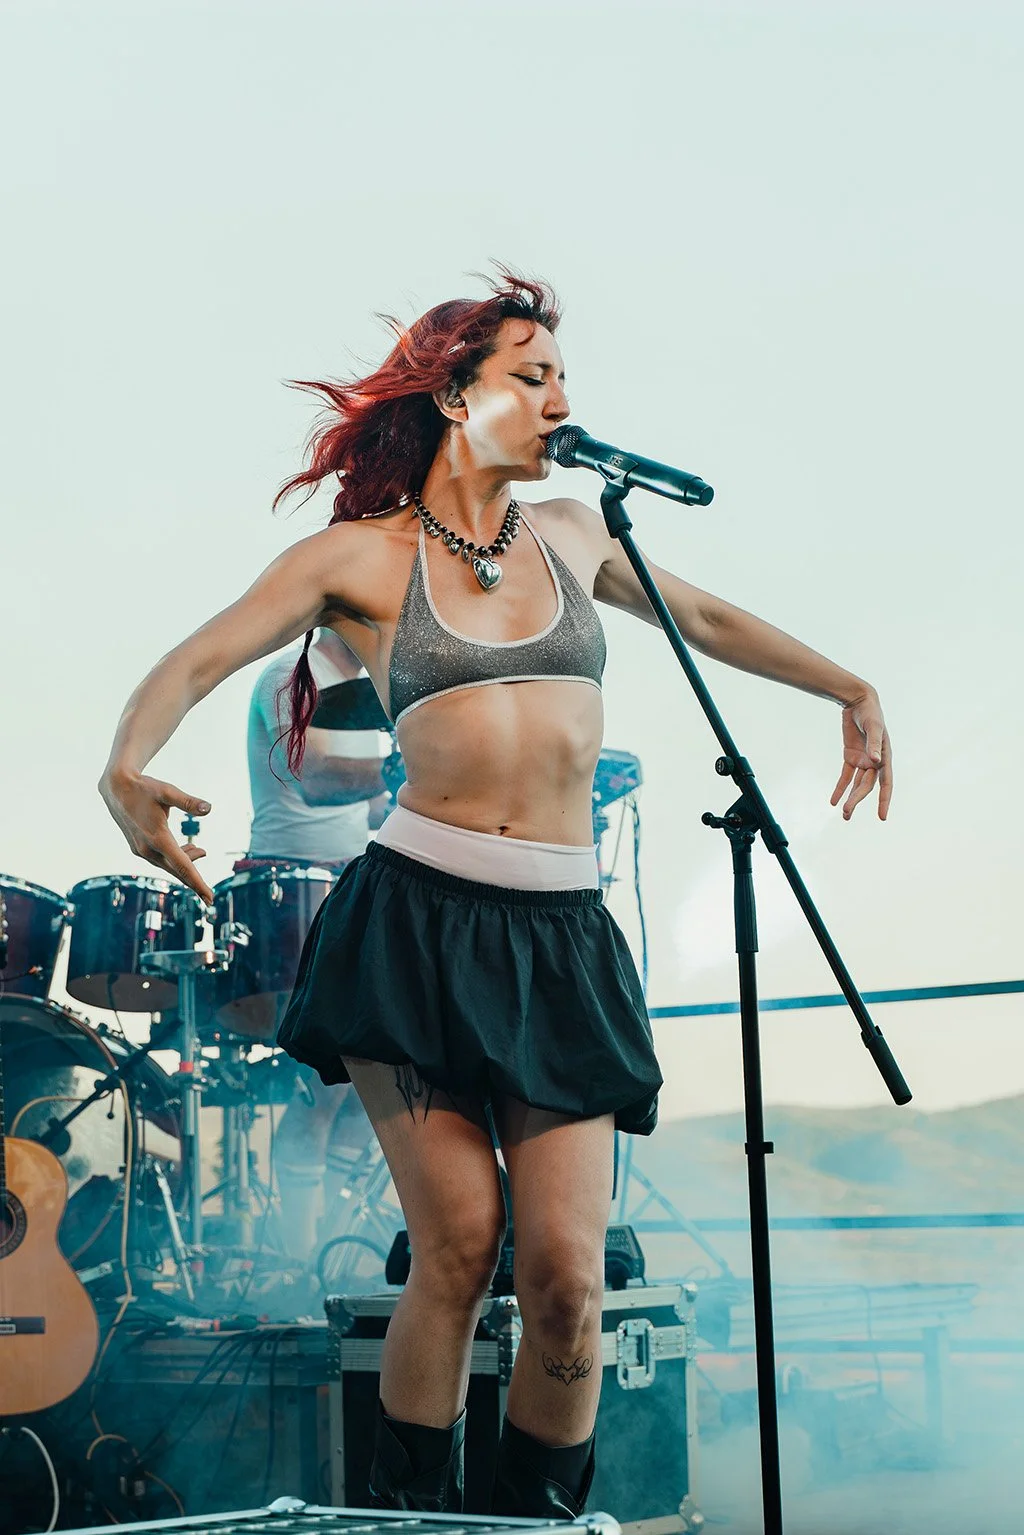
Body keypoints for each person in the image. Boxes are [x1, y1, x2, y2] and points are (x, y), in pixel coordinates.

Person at [99, 269, 893, 1518]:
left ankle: (541, 1517)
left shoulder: (577, 530)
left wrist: (848, 685)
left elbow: (706, 616)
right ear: (456, 395)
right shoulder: (358, 557)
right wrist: (125, 764)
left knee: (570, 1278)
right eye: (533, 375)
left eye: (564, 376)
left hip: (561, 933)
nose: (561, 398)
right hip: (414, 924)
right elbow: (196, 658)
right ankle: (411, 1516)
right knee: (460, 1244)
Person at [242, 627, 389, 1264]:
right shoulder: (291, 676)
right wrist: (419, 763)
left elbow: (371, 805)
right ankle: (300, 1259)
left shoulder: (369, 691)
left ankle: (336, 1249)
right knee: (323, 1083)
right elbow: (315, 779)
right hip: (294, 890)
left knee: (371, 1086)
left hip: (355, 885)